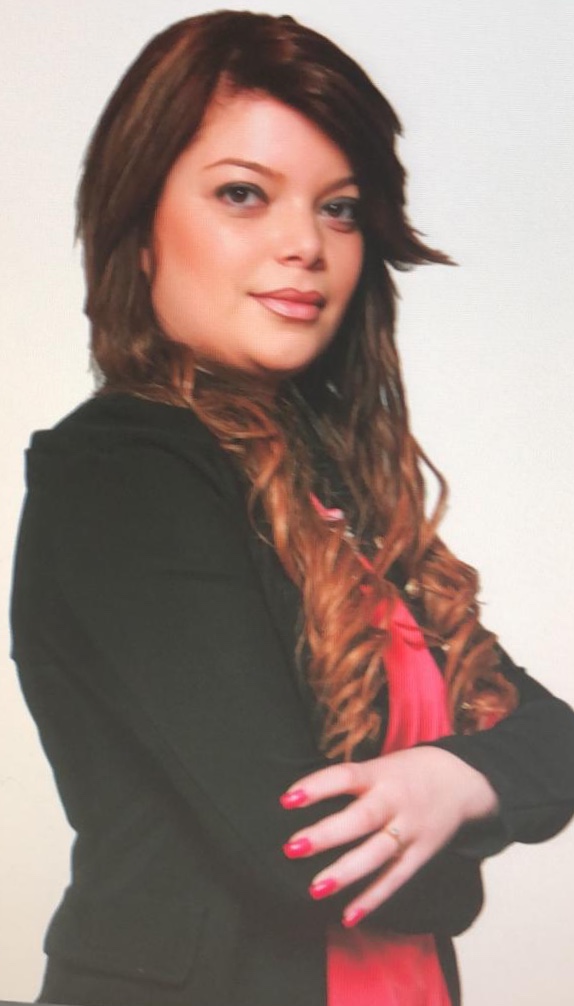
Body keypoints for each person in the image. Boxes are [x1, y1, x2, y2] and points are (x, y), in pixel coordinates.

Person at [10, 10, 574, 1006]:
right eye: (243, 194)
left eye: (340, 208)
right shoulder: (120, 472)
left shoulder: (334, 490)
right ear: (140, 225)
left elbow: (557, 737)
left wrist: (449, 784)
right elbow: (303, 851)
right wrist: (466, 834)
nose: (304, 244)